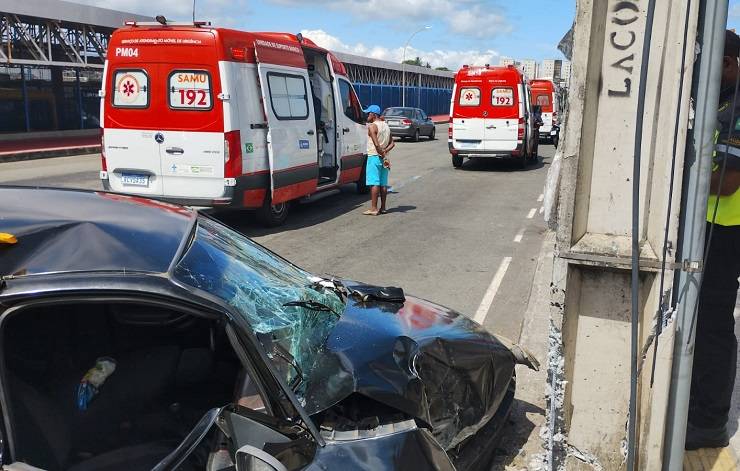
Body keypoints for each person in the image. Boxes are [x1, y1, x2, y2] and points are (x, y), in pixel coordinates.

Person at [686, 29, 740, 450]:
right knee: (698, 320)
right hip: (708, 226)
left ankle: (709, 422)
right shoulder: (719, 100)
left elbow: (727, 182)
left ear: (729, 62)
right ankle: (697, 405)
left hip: (728, 230)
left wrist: (678, 182)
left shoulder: (738, 105)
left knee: (713, 325)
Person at [363, 104, 395, 215]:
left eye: (368, 113)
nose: (367, 115)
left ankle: (373, 208)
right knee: (383, 183)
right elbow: (392, 143)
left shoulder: (372, 126)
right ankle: (384, 208)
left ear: (373, 114)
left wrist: (381, 152)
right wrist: (385, 152)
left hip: (374, 156)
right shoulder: (386, 126)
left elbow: (376, 144)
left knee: (374, 183)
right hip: (385, 158)